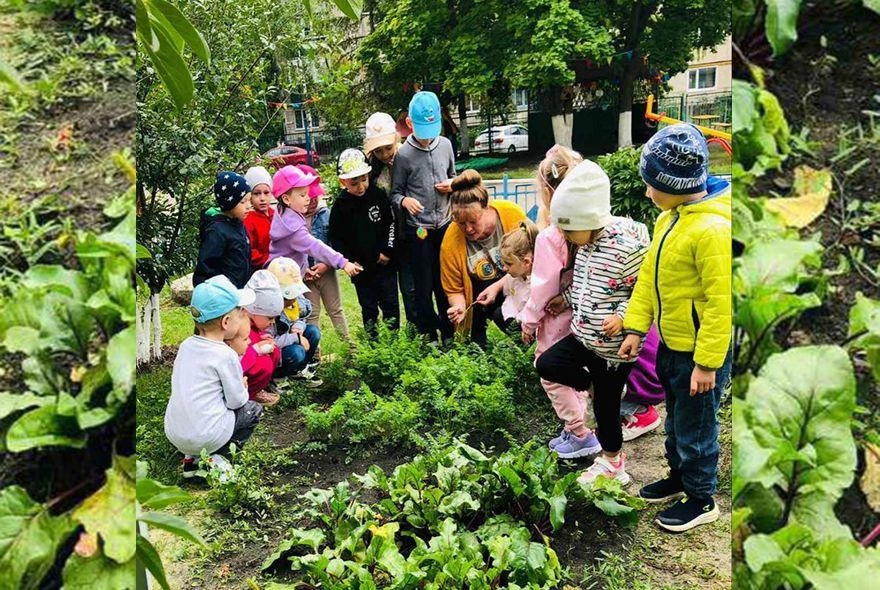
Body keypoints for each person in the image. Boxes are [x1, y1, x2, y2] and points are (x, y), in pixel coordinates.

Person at [619, 124, 732, 533]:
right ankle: (679, 477)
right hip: (671, 343)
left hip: (698, 354)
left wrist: (707, 363)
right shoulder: (671, 219)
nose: (648, 193)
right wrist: (635, 327)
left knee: (697, 427)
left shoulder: (712, 230)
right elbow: (649, 278)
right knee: (675, 422)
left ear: (676, 184)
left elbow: (722, 305)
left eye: (653, 185)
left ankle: (701, 498)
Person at [534, 159, 650, 483]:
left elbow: (648, 289)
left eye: (570, 230)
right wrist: (567, 299)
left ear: (591, 218)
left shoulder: (628, 248)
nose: (567, 237)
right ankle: (594, 385)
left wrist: (625, 317)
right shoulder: (585, 243)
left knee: (606, 412)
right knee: (547, 364)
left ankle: (614, 463)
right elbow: (587, 283)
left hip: (614, 349)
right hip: (584, 335)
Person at [164, 275, 263, 479]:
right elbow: (237, 401)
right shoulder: (225, 354)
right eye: (238, 314)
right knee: (253, 410)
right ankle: (217, 458)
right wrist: (243, 389)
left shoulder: (186, 346)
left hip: (175, 433)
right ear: (226, 322)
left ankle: (191, 460)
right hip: (207, 436)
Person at [390, 91, 456, 343]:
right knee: (424, 284)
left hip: (446, 226)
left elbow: (453, 174)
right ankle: (429, 333)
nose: (429, 137)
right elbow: (395, 194)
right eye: (422, 129)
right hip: (419, 230)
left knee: (445, 281)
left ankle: (449, 332)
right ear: (409, 124)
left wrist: (452, 184)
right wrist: (405, 201)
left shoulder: (446, 145)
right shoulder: (404, 155)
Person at [440, 169, 526, 347]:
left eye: (473, 221)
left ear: (486, 208)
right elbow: (454, 288)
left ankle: (528, 343)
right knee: (475, 336)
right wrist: (459, 307)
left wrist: (500, 286)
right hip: (480, 294)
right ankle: (478, 349)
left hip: (520, 283)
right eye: (461, 223)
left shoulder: (511, 214)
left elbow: (533, 260)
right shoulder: (450, 242)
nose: (468, 229)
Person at [329, 148, 399, 335]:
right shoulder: (340, 207)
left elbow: (390, 224)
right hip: (361, 270)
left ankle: (394, 340)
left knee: (391, 305)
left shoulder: (377, 195)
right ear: (343, 182)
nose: (360, 186)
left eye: (363, 180)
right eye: (354, 183)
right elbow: (336, 238)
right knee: (369, 308)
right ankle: (373, 344)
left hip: (385, 265)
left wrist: (388, 250)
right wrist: (349, 261)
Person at [365, 111, 417, 326]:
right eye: (378, 151)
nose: (385, 154)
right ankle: (392, 335)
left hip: (408, 235)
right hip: (384, 239)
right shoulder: (371, 173)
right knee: (387, 294)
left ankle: (418, 331)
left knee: (410, 289)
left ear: (397, 140)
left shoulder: (410, 159)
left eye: (388, 147)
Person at [268, 165, 362, 279]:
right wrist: (343, 263)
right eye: (302, 195)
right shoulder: (293, 230)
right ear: (286, 199)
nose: (308, 198)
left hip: (284, 278)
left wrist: (301, 268)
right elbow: (315, 246)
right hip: (285, 282)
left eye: (307, 193)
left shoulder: (283, 215)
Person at [299, 164, 351, 342]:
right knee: (311, 314)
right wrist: (305, 270)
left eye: (315, 196)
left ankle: (349, 348)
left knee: (335, 310)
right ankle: (315, 355)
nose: (312, 201)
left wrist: (326, 264)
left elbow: (334, 243)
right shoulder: (293, 220)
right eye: (307, 196)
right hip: (305, 276)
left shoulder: (326, 214)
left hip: (326, 271)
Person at [267, 256, 323, 387]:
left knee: (313, 332)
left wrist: (299, 325)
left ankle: (298, 370)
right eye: (288, 296)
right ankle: (278, 376)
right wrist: (296, 338)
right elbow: (272, 341)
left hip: (294, 337)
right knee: (296, 352)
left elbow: (302, 316)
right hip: (281, 348)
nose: (293, 299)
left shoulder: (297, 299)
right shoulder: (270, 312)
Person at [193, 171, 253, 288]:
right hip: (224, 294)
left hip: (240, 288)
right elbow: (206, 266)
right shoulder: (217, 231)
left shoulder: (237, 223)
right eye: (242, 202)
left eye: (249, 200)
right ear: (229, 202)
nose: (248, 205)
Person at [240, 270, 285, 406]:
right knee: (264, 365)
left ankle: (258, 389)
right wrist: (256, 349)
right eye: (269, 318)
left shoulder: (254, 325)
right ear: (253, 312)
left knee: (275, 351)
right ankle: (247, 396)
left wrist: (263, 339)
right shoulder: (239, 328)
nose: (272, 322)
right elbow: (237, 359)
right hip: (240, 370)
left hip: (247, 360)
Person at [243, 165, 275, 270]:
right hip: (262, 270)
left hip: (281, 264)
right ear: (250, 196)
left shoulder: (276, 214)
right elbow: (250, 250)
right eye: (256, 194)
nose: (262, 198)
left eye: (266, 193)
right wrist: (269, 261)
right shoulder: (248, 219)